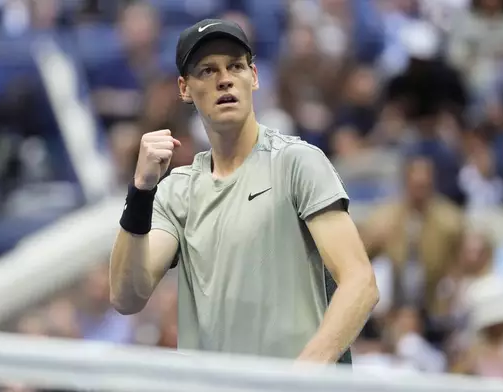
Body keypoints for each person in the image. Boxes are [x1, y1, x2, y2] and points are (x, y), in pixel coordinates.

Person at [109, 19, 379, 364]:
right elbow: (127, 297)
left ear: (253, 77)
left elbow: (360, 284)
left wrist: (301, 377)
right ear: (184, 89)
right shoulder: (177, 190)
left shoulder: (297, 163)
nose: (224, 78)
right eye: (207, 70)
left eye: (235, 66)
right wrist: (141, 191)